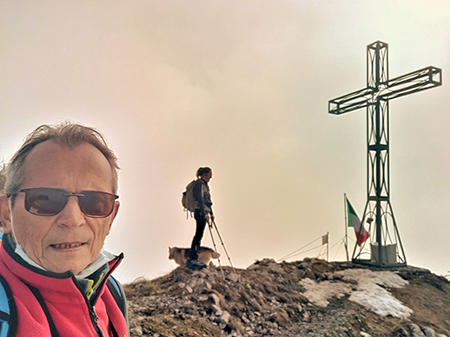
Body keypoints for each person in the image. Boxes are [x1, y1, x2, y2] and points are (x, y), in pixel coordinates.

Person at [0, 122, 128, 336]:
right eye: (45, 200)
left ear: (111, 217)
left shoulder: (110, 291)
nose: (73, 219)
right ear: (7, 215)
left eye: (95, 202)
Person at [187, 167, 214, 270]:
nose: (211, 175)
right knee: (198, 234)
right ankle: (193, 257)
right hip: (200, 211)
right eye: (210, 173)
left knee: (199, 234)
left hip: (203, 212)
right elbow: (200, 199)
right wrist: (204, 212)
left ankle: (194, 257)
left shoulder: (204, 185)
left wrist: (211, 213)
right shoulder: (200, 184)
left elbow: (208, 201)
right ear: (205, 174)